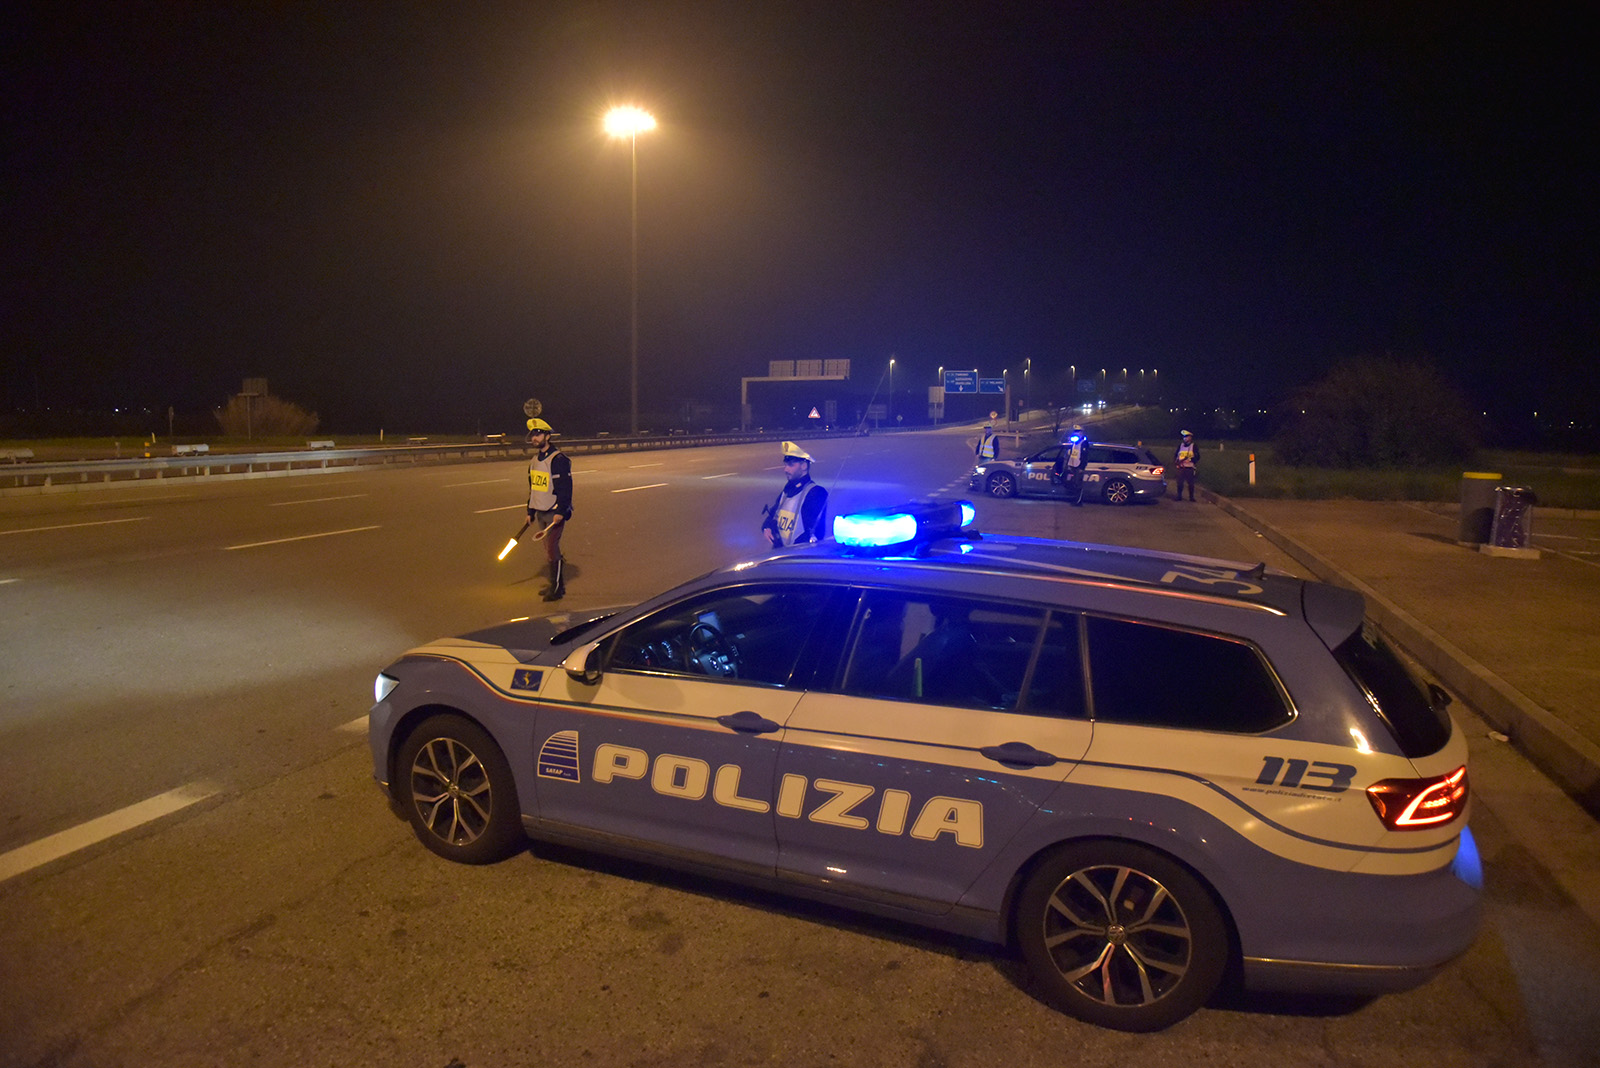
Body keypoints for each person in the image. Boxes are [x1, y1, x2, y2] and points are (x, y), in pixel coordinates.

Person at [525, 417, 573, 600]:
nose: (534, 438)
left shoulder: (558, 459)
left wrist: (561, 511)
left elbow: (565, 488)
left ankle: (558, 589)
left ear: (547, 435)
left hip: (554, 512)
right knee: (548, 550)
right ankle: (554, 584)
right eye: (533, 435)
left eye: (538, 434)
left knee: (552, 548)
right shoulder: (534, 461)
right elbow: (534, 488)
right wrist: (529, 512)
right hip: (540, 512)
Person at [761, 441, 828, 548]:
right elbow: (774, 514)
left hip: (798, 558)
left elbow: (814, 532)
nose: (786, 469)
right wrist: (767, 527)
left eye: (791, 465)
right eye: (785, 465)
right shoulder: (788, 490)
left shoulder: (815, 493)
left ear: (804, 466)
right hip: (782, 555)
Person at [1054, 426, 1089, 506]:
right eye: (1075, 431)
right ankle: (1074, 499)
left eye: (1077, 431)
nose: (1075, 433)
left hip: (1078, 466)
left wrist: (1082, 467)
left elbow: (1084, 456)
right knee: (1073, 483)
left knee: (1078, 484)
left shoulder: (1084, 443)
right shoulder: (1074, 442)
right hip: (1072, 465)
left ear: (1081, 432)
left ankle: (1078, 501)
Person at [1174, 430, 1198, 501]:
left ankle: (1191, 497)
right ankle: (1179, 496)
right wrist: (1177, 462)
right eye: (1184, 437)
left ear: (1190, 437)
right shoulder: (1180, 446)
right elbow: (1176, 455)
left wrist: (1191, 460)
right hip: (1181, 467)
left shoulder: (1193, 446)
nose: (1185, 438)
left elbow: (1197, 456)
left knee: (1190, 484)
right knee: (1180, 483)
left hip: (1189, 468)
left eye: (1187, 437)